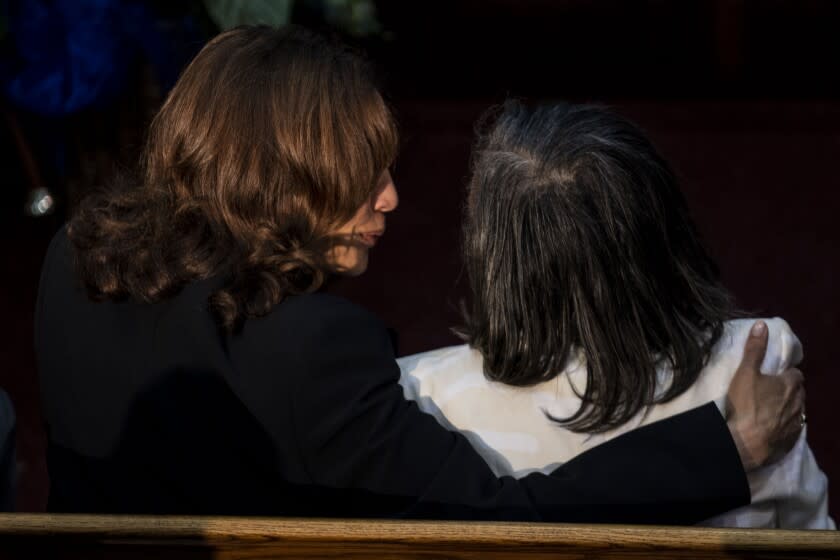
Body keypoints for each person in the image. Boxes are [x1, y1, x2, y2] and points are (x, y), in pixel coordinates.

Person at [35, 26, 804, 521]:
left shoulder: (71, 262)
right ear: (282, 177)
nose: (393, 197)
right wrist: (730, 450)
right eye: (364, 171)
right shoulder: (311, 350)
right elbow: (506, 519)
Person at [398, 102, 832, 528]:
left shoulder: (420, 391)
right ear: (662, 229)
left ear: (490, 252)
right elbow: (812, 538)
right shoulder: (750, 363)